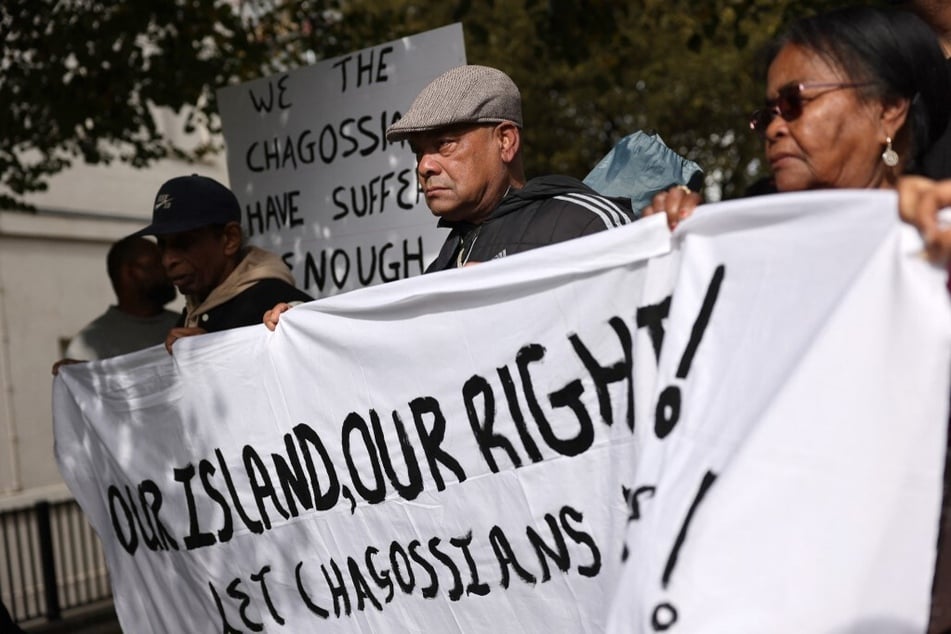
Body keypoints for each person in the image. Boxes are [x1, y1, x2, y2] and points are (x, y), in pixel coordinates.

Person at [264, 65, 636, 329]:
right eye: (417, 152)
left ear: (505, 141)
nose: (424, 166)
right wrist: (305, 324)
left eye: (444, 145)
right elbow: (390, 338)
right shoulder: (445, 262)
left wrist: (518, 292)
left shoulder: (583, 221)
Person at [643, 6, 951, 228]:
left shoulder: (935, 244)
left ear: (887, 109)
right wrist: (678, 234)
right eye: (767, 116)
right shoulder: (743, 234)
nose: (774, 129)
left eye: (795, 102)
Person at [132, 174, 312, 352]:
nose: (167, 260)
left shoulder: (279, 309)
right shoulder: (194, 312)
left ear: (230, 239)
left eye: (183, 243)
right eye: (162, 244)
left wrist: (217, 352)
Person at [51, 236, 180, 374]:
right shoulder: (88, 345)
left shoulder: (186, 326)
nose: (168, 268)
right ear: (130, 273)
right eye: (157, 264)